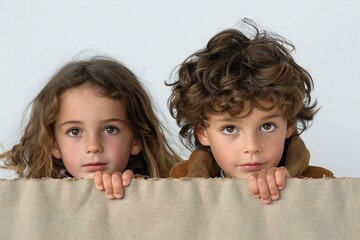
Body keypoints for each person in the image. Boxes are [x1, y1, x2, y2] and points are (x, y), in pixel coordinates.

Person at [167, 19, 333, 204]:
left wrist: (289, 190)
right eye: (230, 129)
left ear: (289, 125)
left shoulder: (320, 183)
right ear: (203, 133)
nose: (251, 146)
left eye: (267, 126)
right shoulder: (178, 182)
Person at [1, 56, 180, 199]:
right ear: (54, 144)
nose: (93, 146)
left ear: (136, 140)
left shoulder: (163, 192)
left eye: (110, 129)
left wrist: (136, 192)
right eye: (74, 131)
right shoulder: (33, 201)